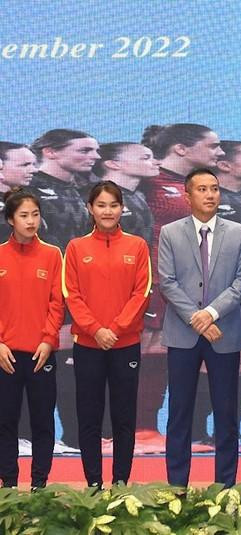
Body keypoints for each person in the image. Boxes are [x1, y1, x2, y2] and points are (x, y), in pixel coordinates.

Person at [158, 168, 241, 487]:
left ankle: (225, 488)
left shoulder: (239, 232)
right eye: (202, 189)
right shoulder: (170, 232)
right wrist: (195, 317)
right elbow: (166, 282)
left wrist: (209, 313)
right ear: (187, 195)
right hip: (183, 335)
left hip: (223, 333)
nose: (210, 195)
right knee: (180, 414)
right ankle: (176, 487)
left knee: (226, 414)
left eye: (214, 189)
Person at [140, 123, 224, 454]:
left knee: (166, 355)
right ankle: (136, 428)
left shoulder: (195, 186)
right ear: (181, 148)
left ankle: (157, 428)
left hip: (189, 282)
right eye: (213, 146)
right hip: (155, 280)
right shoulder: (149, 182)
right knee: (147, 351)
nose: (220, 152)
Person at [63, 181, 152, 487]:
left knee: (124, 417)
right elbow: (71, 295)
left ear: (122, 209)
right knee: (89, 417)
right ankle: (93, 484)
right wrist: (96, 330)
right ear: (90, 209)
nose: (108, 211)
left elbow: (141, 294)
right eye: (101, 205)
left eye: (113, 205)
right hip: (88, 345)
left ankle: (120, 482)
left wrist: (113, 330)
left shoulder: (137, 246)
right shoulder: (76, 247)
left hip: (125, 345)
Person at [193, 140, 241, 452]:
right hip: (215, 292)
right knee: (205, 364)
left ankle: (230, 433)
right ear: (225, 165)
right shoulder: (209, 200)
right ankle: (196, 433)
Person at [30, 129, 100, 455]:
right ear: (52, 152)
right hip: (40, 290)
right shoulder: (30, 191)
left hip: (80, 290)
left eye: (95, 151)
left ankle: (72, 437)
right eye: (84, 150)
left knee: (74, 366)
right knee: (37, 362)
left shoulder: (81, 190)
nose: (94, 157)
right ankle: (29, 437)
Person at [0, 189, 64, 489]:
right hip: (6, 355)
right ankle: (9, 484)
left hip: (41, 353)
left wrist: (49, 340)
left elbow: (56, 303)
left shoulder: (52, 254)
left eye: (35, 214)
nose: (31, 221)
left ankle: (39, 484)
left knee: (42, 422)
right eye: (24, 215)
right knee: (5, 423)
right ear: (11, 219)